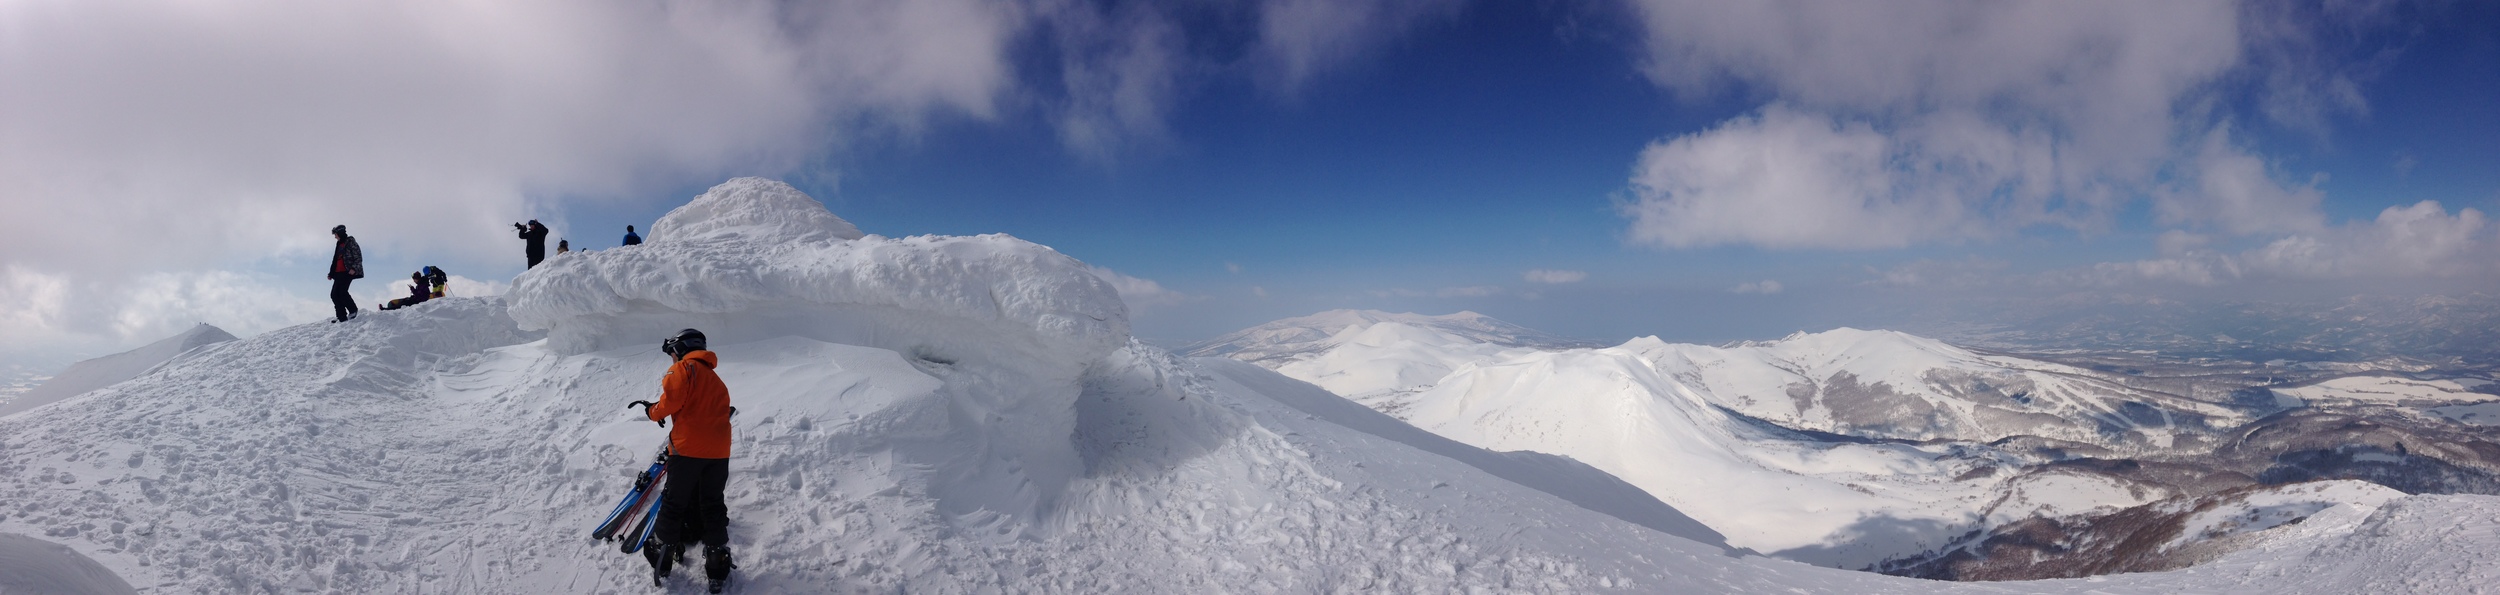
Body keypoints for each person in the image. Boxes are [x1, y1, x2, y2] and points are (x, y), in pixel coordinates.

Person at [640, 329, 736, 592]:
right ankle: (717, 561)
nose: (672, 359)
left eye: (672, 353)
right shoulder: (716, 379)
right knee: (712, 503)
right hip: (719, 453)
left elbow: (670, 402)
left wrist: (652, 411)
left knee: (674, 503)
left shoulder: (682, 368)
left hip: (687, 451)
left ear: (680, 349)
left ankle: (664, 553)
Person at [327, 225, 363, 322]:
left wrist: (354, 268)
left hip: (347, 272)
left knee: (342, 292)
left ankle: (353, 310)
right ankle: (341, 316)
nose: (335, 237)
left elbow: (358, 257)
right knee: (334, 294)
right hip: (338, 273)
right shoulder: (339, 244)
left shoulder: (351, 242)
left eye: (336, 234)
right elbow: (335, 259)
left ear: (340, 233)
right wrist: (331, 273)